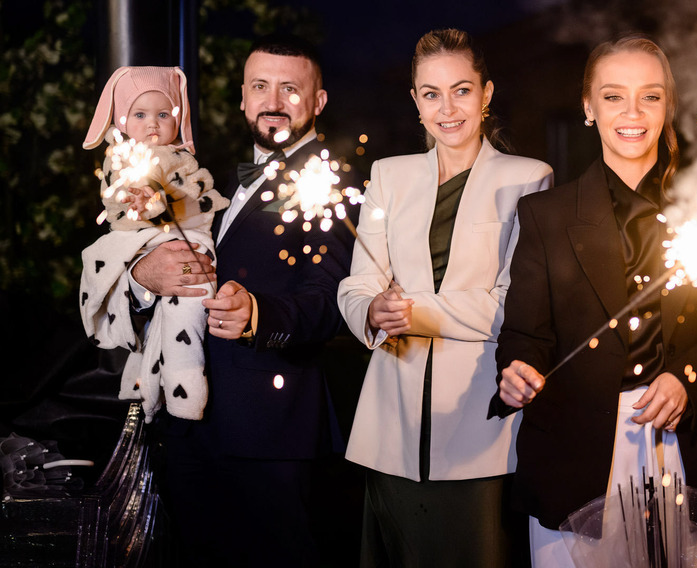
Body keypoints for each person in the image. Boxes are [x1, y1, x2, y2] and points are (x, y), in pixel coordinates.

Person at [492, 35, 697, 567]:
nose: (633, 112)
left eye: (650, 96)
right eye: (613, 96)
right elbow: (525, 335)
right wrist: (517, 369)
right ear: (588, 107)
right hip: (578, 452)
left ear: (668, 106)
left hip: (687, 444)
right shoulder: (545, 215)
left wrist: (687, 377)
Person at [129, 35, 353, 566]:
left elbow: (331, 300)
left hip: (272, 433)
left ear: (318, 101)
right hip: (190, 425)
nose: (273, 101)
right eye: (260, 86)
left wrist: (258, 315)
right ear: (243, 98)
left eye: (290, 89)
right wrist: (144, 275)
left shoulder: (331, 186)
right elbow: (161, 261)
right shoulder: (209, 180)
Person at [337, 29, 553, 567]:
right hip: (389, 427)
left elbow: (513, 306)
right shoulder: (388, 175)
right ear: (415, 101)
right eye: (431, 94)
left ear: (486, 93)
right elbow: (358, 284)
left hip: (479, 431)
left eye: (461, 90)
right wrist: (371, 311)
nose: (447, 109)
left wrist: (409, 310)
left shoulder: (528, 178)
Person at [80, 66, 229, 422]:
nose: (153, 125)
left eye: (163, 115)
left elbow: (199, 193)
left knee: (188, 307)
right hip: (139, 242)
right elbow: (120, 201)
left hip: (189, 240)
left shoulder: (182, 159)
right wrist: (147, 201)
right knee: (155, 326)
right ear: (121, 119)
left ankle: (183, 388)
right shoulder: (120, 159)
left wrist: (171, 200)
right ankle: (158, 391)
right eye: (140, 115)